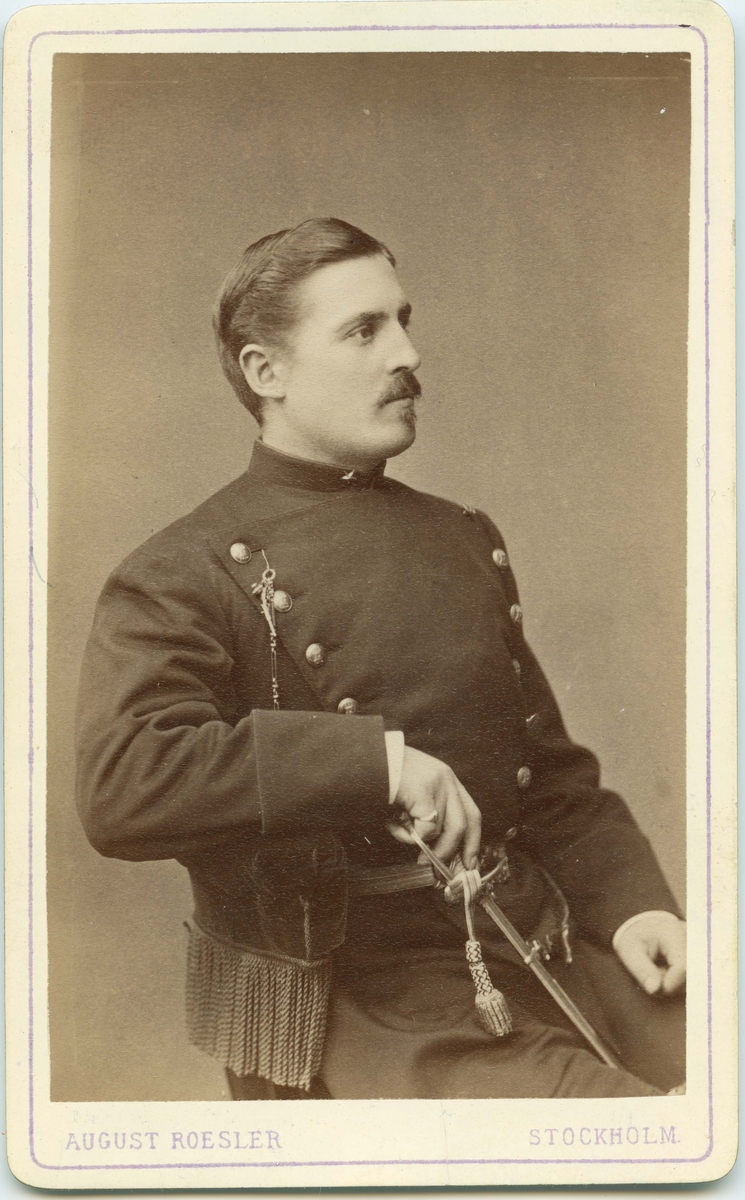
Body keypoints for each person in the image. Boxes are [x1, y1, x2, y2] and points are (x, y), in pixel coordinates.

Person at [75, 217, 685, 1100]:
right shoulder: (182, 572)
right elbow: (124, 784)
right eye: (362, 331)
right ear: (266, 372)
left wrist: (631, 903)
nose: (407, 353)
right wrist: (378, 765)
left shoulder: (460, 536)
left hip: (538, 935)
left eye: (401, 320)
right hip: (372, 998)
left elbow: (543, 773)